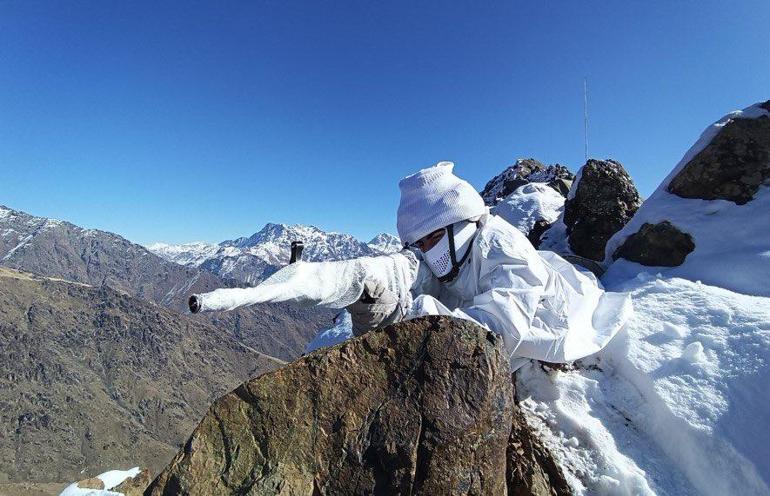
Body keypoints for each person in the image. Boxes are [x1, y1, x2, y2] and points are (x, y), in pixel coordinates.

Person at [347, 161, 631, 369]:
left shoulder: (501, 247)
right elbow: (423, 277)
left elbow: (499, 329)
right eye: (419, 245)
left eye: (432, 238)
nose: (427, 252)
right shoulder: (459, 246)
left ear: (458, 224)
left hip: (556, 310)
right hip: (540, 273)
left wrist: (422, 317)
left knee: (581, 277)